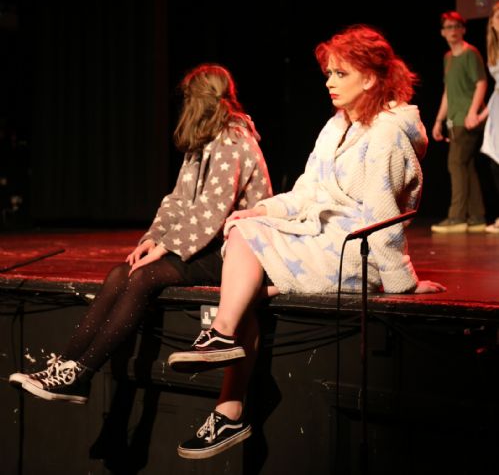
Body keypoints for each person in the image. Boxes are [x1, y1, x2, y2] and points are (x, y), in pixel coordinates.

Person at [167, 25, 447, 460]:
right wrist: (262, 210)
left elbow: (383, 217)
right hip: (320, 239)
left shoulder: (389, 132)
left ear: (370, 78)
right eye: (329, 73)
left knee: (244, 270)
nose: (329, 81)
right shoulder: (336, 126)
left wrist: (401, 285)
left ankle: (223, 352)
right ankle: (229, 407)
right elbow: (306, 193)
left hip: (354, 252)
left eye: (340, 73)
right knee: (244, 238)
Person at [8, 63, 273, 404]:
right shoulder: (203, 142)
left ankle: (83, 372)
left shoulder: (234, 140)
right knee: (122, 272)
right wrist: (152, 238)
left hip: (236, 252)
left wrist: (165, 247)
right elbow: (178, 200)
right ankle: (67, 366)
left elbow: (211, 211)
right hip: (206, 243)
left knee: (145, 277)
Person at [431, 11, 488, 233]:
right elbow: (448, 91)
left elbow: (481, 83)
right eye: (448, 27)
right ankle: (477, 217)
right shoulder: (448, 58)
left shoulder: (470, 53)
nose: (453, 31)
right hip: (454, 119)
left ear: (463, 29)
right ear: (442, 32)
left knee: (455, 163)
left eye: (456, 26)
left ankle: (457, 217)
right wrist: (439, 120)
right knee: (466, 166)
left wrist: (472, 112)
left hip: (468, 118)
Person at [478, 2, 499, 233]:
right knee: (495, 160)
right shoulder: (493, 48)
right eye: (498, 17)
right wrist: (482, 114)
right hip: (497, 107)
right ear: (492, 22)